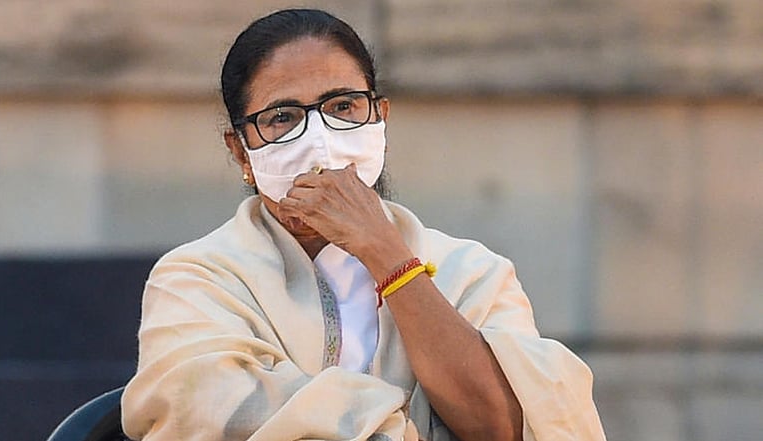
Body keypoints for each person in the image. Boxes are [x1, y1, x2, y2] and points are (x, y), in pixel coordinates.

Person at [121, 8, 605, 441]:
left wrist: (387, 256)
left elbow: (506, 426)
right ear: (240, 151)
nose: (319, 140)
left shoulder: (470, 273)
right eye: (282, 117)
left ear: (381, 119)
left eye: (343, 107)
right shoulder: (197, 279)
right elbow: (204, 413)